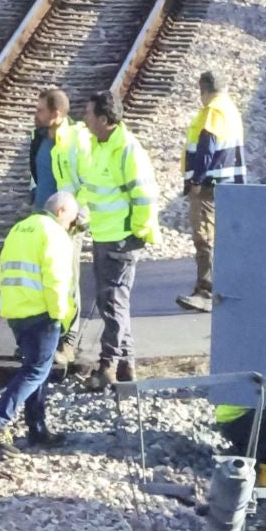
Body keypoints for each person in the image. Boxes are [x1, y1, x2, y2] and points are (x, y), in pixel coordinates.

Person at [0, 190, 80, 450]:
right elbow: (56, 279)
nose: (71, 225)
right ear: (60, 211)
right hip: (42, 311)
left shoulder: (21, 228)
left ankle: (37, 429)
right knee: (36, 370)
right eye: (71, 219)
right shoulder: (55, 234)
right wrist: (62, 316)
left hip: (17, 309)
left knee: (38, 369)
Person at [77, 89, 158, 389]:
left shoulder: (126, 149)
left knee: (112, 303)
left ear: (102, 119)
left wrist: (134, 233)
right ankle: (126, 368)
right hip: (105, 235)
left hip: (120, 238)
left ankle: (108, 367)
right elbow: (95, 187)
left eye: (87, 113)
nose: (83, 118)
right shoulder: (101, 146)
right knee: (114, 302)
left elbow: (144, 196)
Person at [29, 86, 89, 367]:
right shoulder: (40, 136)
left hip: (67, 222)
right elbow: (36, 173)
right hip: (42, 219)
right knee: (43, 279)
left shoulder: (75, 139)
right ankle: (44, 337)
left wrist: (79, 215)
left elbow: (85, 180)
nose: (35, 114)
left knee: (68, 280)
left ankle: (70, 340)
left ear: (56, 113)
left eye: (40, 110)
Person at [177, 70, 246, 313]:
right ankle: (219, 287)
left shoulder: (213, 111)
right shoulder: (231, 110)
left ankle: (205, 290)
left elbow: (207, 147)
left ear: (203, 91)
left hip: (209, 186)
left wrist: (197, 179)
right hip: (227, 184)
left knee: (204, 236)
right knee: (219, 236)